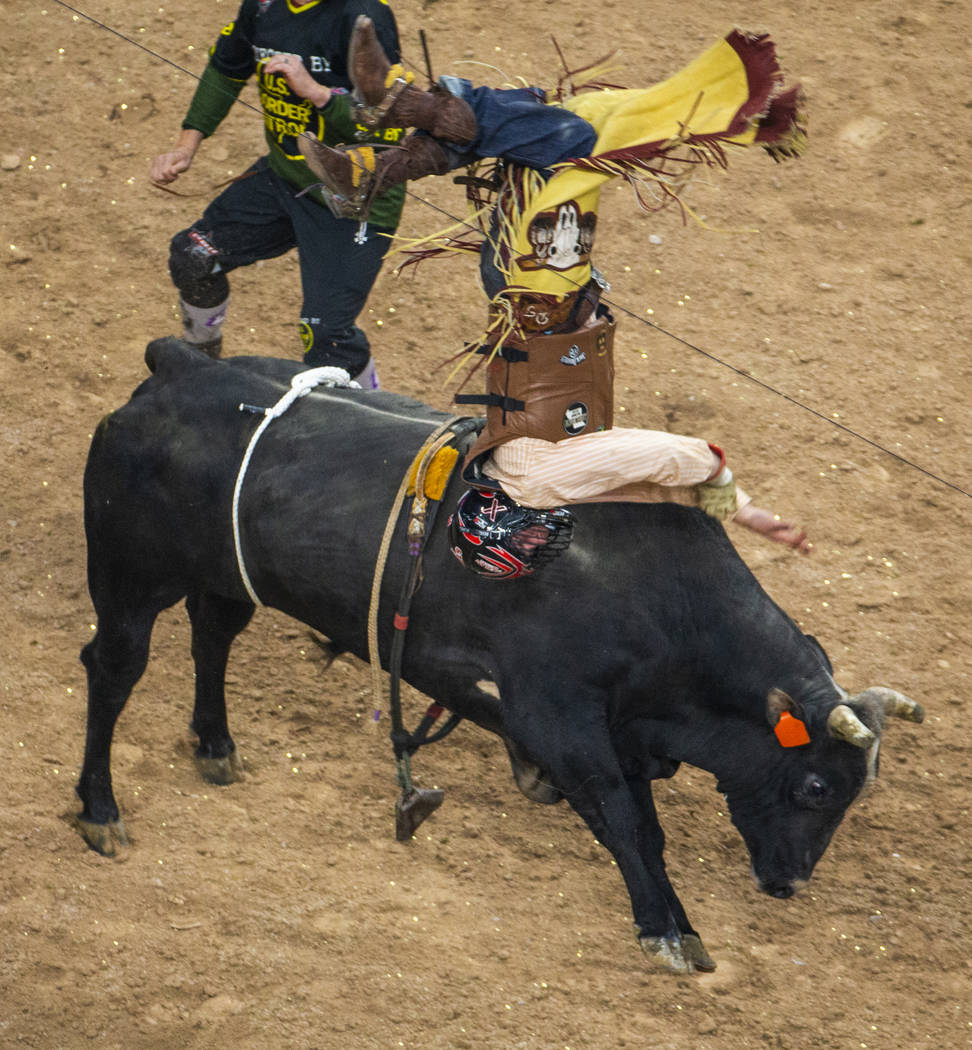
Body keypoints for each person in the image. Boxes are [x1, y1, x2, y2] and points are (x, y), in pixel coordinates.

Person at [302, 18, 810, 552]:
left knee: (581, 145)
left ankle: (397, 125)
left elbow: (680, 459)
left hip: (543, 283)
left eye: (530, 543)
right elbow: (646, 487)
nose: (541, 540)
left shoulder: (544, 483)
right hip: (525, 281)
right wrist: (746, 513)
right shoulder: (507, 473)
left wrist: (723, 481)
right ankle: (385, 154)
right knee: (568, 126)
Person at [150, 0, 462, 385]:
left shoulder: (363, 16)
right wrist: (186, 145)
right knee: (194, 258)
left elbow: (389, 126)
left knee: (327, 338)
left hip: (355, 201)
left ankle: (373, 416)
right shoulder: (263, 7)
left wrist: (317, 94)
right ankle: (198, 366)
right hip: (285, 179)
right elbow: (226, 68)